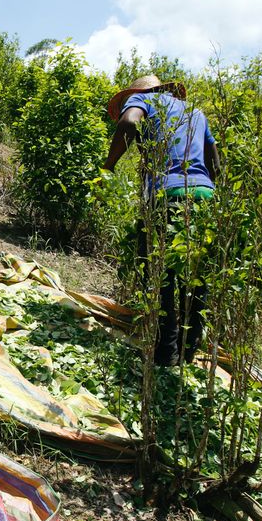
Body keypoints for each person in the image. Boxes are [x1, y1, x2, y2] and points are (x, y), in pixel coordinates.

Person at [101, 75, 220, 366]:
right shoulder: (195, 112)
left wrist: (109, 166)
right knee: (196, 277)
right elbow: (215, 162)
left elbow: (129, 123)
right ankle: (187, 354)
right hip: (205, 195)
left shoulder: (143, 99)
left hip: (167, 194)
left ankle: (166, 355)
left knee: (155, 270)